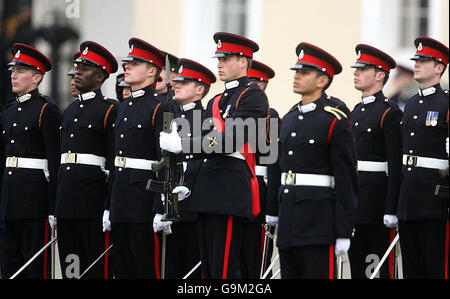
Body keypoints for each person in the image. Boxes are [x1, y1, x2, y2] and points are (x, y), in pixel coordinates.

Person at [159, 32, 269, 278]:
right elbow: (207, 147)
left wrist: (183, 145)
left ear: (243, 62)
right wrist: (188, 184)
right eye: (218, 58)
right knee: (208, 268)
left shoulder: (252, 95)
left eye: (225, 58)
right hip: (207, 191)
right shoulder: (217, 100)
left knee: (224, 268)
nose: (218, 63)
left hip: (228, 192)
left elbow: (231, 140)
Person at [270, 42, 358, 278]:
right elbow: (278, 168)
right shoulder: (288, 119)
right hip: (289, 220)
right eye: (296, 72)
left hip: (318, 222)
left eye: (304, 72)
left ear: (322, 81)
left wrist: (343, 231)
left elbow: (346, 180)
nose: (296, 76)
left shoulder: (334, 121)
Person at [105, 37, 172, 279]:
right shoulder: (123, 107)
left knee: (145, 267)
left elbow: (165, 160)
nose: (127, 66)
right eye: (127, 62)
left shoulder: (161, 107)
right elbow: (116, 159)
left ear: (152, 71)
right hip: (121, 197)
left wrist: (161, 207)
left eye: (135, 63)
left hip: (144, 200)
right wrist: (108, 206)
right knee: (122, 268)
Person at [54, 41, 118, 279]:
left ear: (100, 76)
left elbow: (112, 162)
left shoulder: (110, 110)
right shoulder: (70, 110)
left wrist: (109, 205)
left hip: (93, 201)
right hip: (67, 200)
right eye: (77, 66)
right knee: (71, 265)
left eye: (85, 68)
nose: (77, 72)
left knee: (94, 266)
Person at [0, 43, 61, 279]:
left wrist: (53, 206)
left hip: (35, 200)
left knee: (34, 265)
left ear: (36, 77)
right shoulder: (9, 111)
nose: (13, 76)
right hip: (9, 199)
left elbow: (55, 162)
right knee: (9, 264)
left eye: (20, 71)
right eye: (12, 70)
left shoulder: (47, 110)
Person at [153, 58, 216, 278]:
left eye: (184, 82)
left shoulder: (209, 120)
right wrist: (159, 206)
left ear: (199, 90)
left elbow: (206, 159)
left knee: (194, 269)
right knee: (171, 268)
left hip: (195, 204)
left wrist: (187, 186)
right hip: (171, 205)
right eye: (177, 81)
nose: (176, 85)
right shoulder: (171, 118)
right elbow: (162, 162)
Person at [347, 44, 403, 279]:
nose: (356, 73)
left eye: (363, 69)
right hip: (357, 202)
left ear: (380, 75)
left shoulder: (389, 113)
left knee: (378, 268)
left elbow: (396, 166)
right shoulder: (356, 111)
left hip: (378, 205)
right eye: (356, 68)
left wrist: (391, 208)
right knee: (358, 266)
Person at [397, 36, 449, 279]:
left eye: (424, 60)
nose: (416, 64)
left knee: (435, 267)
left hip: (436, 200)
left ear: (439, 67)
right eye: (416, 59)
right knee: (412, 268)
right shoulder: (412, 104)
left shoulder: (446, 103)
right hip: (410, 198)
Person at [241, 59, 279, 278]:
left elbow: (272, 163)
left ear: (261, 85)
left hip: (258, 190)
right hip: (238, 188)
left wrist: (271, 206)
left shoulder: (269, 116)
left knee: (257, 261)